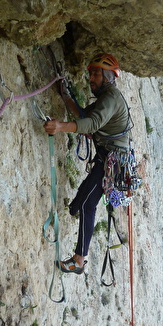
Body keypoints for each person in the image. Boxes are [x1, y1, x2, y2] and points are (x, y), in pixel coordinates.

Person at [44, 53, 131, 274]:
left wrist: (60, 127)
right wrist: (65, 95)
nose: (91, 78)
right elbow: (84, 116)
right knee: (81, 201)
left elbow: (90, 124)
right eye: (90, 73)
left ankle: (79, 260)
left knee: (86, 204)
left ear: (109, 77)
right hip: (108, 158)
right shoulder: (105, 98)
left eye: (96, 74)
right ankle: (75, 211)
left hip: (111, 162)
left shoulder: (111, 98)